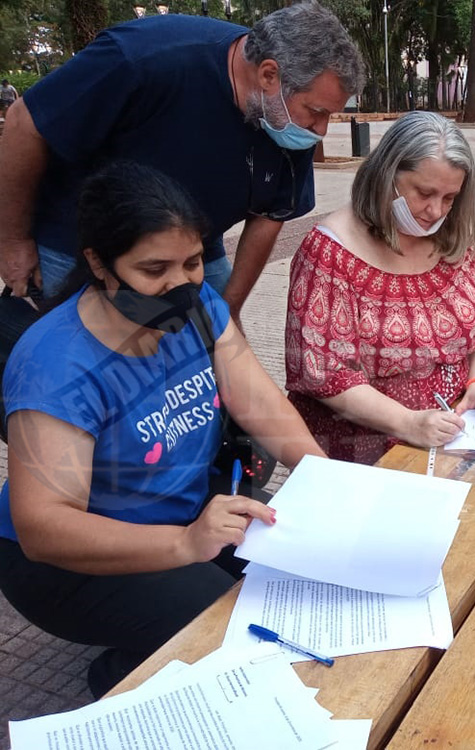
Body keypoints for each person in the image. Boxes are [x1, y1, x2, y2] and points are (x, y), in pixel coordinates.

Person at [0, 162, 327, 698]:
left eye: (194, 262)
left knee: (302, 590)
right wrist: (184, 544)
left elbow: (259, 404)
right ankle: (123, 678)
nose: (180, 284)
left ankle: (163, 638)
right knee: (232, 636)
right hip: (70, 561)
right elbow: (43, 529)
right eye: (154, 269)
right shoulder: (56, 365)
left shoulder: (198, 309)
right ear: (99, 263)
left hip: (189, 513)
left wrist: (328, 478)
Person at [0, 2, 364, 326]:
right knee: (88, 366)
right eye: (316, 113)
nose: (320, 130)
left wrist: (228, 312)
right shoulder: (142, 58)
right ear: (269, 75)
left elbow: (270, 214)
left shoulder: (287, 111)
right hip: (75, 246)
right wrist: (12, 240)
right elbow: (24, 123)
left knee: (220, 362)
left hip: (194, 249)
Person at [285, 111, 475, 464]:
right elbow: (324, 375)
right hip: (363, 456)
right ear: (386, 176)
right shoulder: (330, 254)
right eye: (424, 193)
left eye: (450, 198)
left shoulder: (449, 239)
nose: (436, 211)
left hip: (451, 438)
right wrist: (408, 422)